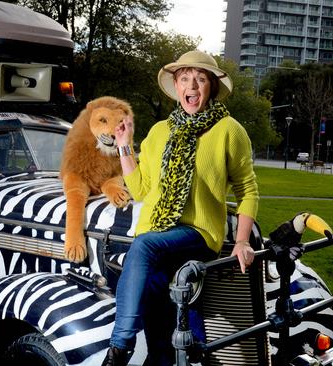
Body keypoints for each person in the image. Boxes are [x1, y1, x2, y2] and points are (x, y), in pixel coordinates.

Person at [102, 50, 259, 366]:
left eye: (201, 79)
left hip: (196, 234)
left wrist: (241, 241)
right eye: (186, 78)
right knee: (160, 337)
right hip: (155, 240)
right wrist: (124, 145)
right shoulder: (160, 131)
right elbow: (141, 188)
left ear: (211, 88)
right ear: (177, 86)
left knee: (143, 245)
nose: (193, 86)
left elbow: (248, 190)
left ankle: (118, 349)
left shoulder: (229, 130)